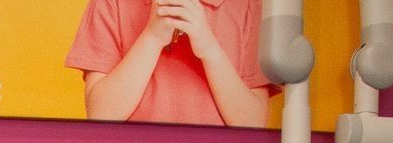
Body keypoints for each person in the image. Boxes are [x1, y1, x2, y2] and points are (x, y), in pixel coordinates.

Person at [67, 0, 274, 127]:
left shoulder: (248, 6)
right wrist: (152, 37)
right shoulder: (112, 3)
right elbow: (100, 115)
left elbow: (253, 123)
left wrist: (209, 48)